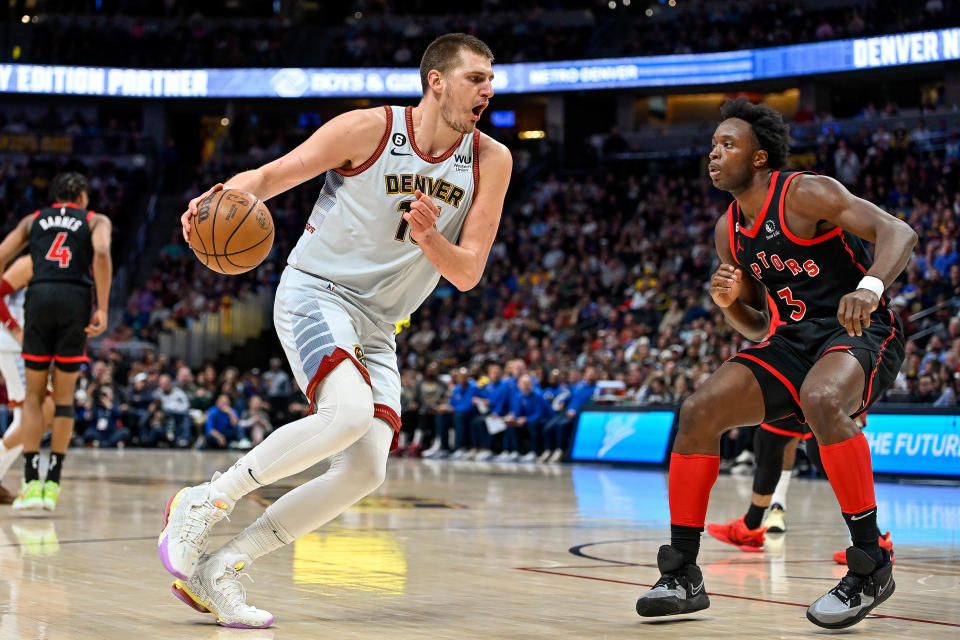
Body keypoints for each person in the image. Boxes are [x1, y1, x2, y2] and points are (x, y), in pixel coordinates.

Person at [160, 33, 511, 629]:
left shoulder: (491, 160)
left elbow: (469, 272)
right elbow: (272, 177)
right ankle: (207, 499)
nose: (488, 88)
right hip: (316, 290)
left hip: (378, 324)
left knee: (365, 469)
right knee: (347, 413)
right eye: (475, 77)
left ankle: (220, 570)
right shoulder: (367, 130)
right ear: (437, 80)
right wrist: (217, 197)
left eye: (491, 79)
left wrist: (431, 238)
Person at [634, 98, 915, 629]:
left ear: (760, 158)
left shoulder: (807, 192)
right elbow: (762, 327)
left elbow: (899, 233)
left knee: (824, 397)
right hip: (790, 342)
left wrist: (870, 287)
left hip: (858, 329)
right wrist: (729, 306)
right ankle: (682, 574)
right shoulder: (729, 231)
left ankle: (871, 562)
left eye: (727, 144)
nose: (713, 154)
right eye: (713, 145)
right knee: (697, 410)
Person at [0, 173, 112, 512]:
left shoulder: (33, 223)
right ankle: (50, 482)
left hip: (36, 312)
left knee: (37, 404)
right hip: (49, 315)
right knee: (57, 404)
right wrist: (103, 307)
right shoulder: (92, 222)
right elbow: (103, 251)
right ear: (80, 196)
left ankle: (29, 480)